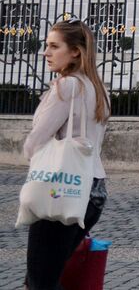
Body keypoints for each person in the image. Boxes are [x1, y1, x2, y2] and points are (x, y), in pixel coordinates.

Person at [24, 20, 109, 290]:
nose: (45, 53)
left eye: (53, 46)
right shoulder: (98, 88)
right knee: (46, 276)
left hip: (60, 190)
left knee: (41, 282)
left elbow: (34, 143)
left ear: (75, 51)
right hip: (93, 191)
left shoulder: (67, 87)